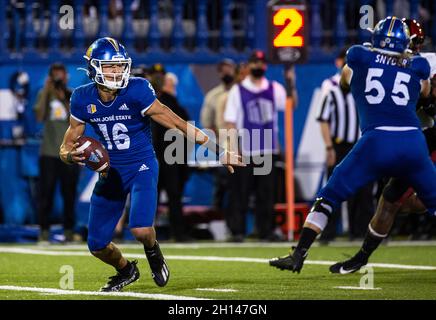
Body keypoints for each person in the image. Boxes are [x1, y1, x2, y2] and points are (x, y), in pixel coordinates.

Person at [59, 37, 243, 292]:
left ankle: (152, 250)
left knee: (142, 229)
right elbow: (66, 144)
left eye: (121, 66)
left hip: (141, 166)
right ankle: (126, 270)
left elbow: (176, 122)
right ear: (94, 68)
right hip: (109, 172)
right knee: (97, 245)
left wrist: (219, 151)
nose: (117, 72)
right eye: (111, 67)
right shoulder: (81, 98)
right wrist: (70, 155)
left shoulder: (137, 89)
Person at [269, 17, 436, 273]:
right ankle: (359, 255)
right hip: (413, 142)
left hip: (376, 141)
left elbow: (346, 80)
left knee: (330, 194)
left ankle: (299, 254)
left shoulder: (359, 58)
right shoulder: (419, 66)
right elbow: (424, 92)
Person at [329, 18, 436, 274]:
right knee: (392, 200)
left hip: (425, 138)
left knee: (395, 199)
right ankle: (362, 258)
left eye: (419, 42)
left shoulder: (425, 62)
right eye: (414, 42)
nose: (417, 47)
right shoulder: (381, 62)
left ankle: (361, 257)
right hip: (411, 141)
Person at [224, 50, 286, 242]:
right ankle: (238, 231)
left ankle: (266, 230)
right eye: (255, 63)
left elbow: (290, 105)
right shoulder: (238, 90)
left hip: (267, 148)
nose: (258, 66)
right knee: (241, 191)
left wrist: (291, 81)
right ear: (249, 66)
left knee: (266, 193)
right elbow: (230, 121)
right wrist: (234, 148)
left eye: (261, 63)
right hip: (247, 148)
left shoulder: (275, 88)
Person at [317, 48, 374, 241]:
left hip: (360, 144)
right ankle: (328, 232)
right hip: (339, 144)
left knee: (363, 189)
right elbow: (323, 119)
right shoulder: (330, 87)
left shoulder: (364, 85)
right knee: (333, 188)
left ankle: (360, 231)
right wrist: (328, 146)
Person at [34, 63, 79, 243]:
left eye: (61, 75)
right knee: (46, 193)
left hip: (69, 152)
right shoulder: (44, 94)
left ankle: (68, 229)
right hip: (49, 152)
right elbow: (39, 116)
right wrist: (46, 90)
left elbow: (76, 119)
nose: (59, 79)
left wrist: (63, 98)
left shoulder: (73, 95)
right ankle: (43, 230)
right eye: (56, 76)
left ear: (66, 76)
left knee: (69, 193)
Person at [151, 70, 192, 242]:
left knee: (152, 198)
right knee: (173, 197)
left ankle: (146, 232)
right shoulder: (170, 105)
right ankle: (178, 233)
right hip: (170, 158)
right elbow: (186, 131)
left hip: (158, 157)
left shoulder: (155, 105)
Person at [201, 59, 237, 211]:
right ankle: (219, 219)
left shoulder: (241, 92)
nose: (226, 72)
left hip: (246, 143)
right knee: (223, 183)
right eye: (223, 70)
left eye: (229, 68)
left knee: (243, 186)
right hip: (225, 146)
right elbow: (207, 124)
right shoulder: (213, 96)